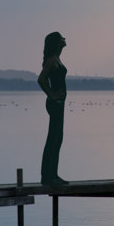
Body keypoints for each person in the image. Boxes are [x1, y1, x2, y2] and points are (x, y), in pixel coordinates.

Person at [38, 31, 69, 186]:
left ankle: (53, 175)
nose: (64, 39)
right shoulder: (51, 61)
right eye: (61, 38)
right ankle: (47, 177)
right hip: (55, 104)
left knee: (58, 139)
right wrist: (51, 95)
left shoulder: (57, 59)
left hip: (60, 104)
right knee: (53, 139)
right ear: (56, 42)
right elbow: (41, 79)